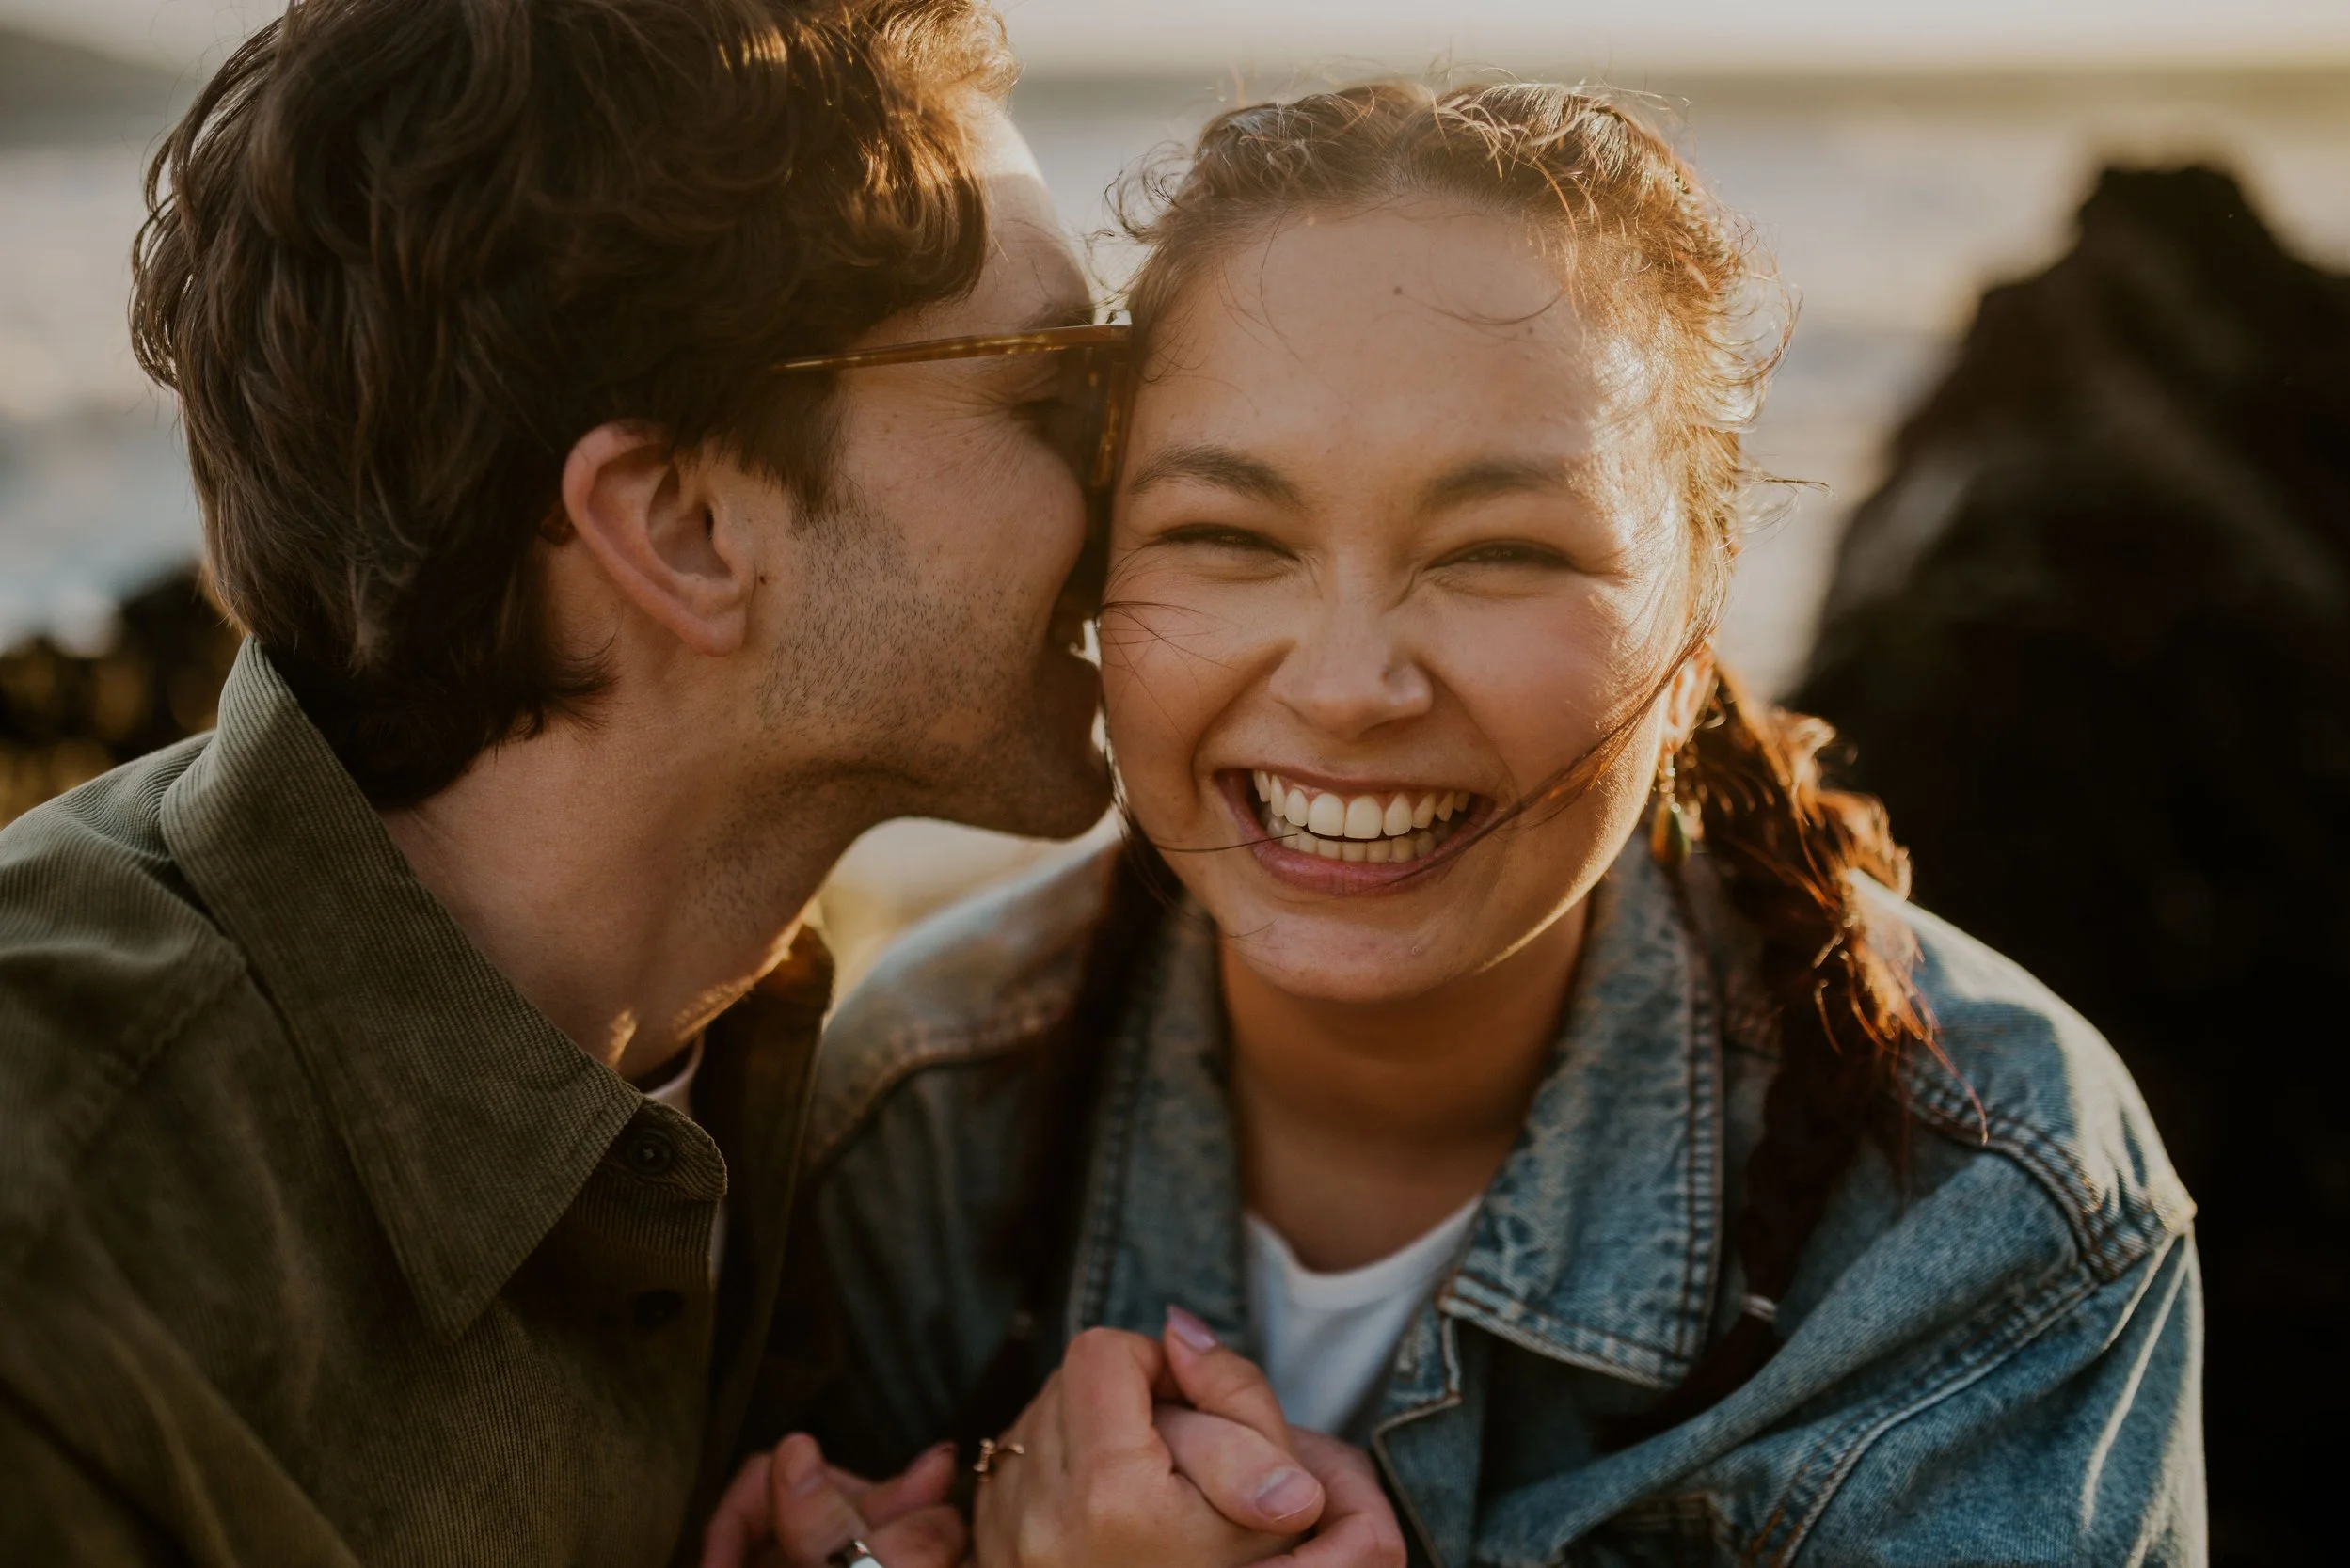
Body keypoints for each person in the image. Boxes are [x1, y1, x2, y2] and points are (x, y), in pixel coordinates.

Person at [0, 3, 1391, 1563]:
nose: (1140, 474)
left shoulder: (736, 1049)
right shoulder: (62, 1265)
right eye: (1053, 386)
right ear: (681, 527)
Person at [770, 82, 2206, 1565]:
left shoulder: (1982, 1203)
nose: (1348, 687)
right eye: (1227, 535)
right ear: (1099, 569)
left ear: (1698, 609)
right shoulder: (922, 1118)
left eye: (1499, 551)